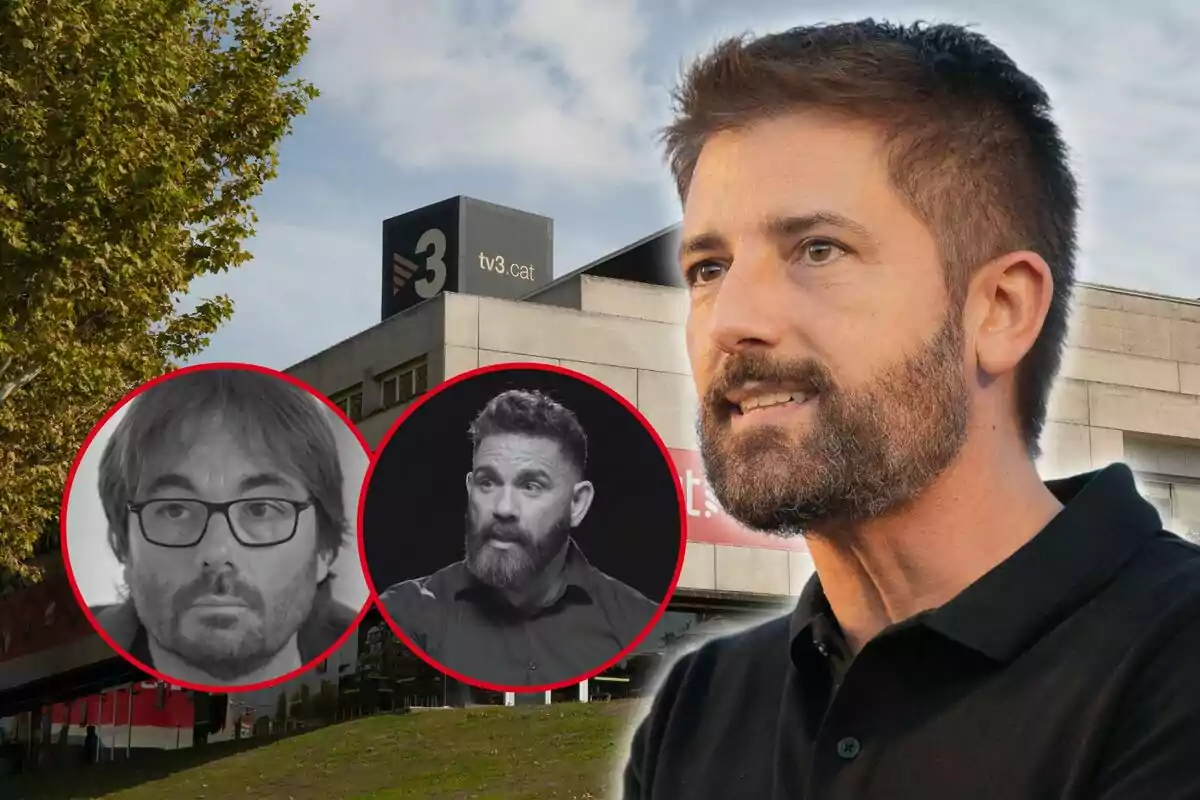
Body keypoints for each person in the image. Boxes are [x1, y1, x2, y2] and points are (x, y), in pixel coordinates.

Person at [622, 18, 1200, 800]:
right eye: (709, 266)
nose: (730, 319)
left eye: (817, 249)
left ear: (998, 309)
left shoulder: (1174, 662)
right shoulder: (699, 706)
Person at [87, 368, 359, 687]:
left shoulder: (378, 642)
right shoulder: (71, 656)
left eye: (260, 509)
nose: (217, 553)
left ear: (324, 549)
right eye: (175, 510)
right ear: (122, 543)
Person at [378, 389, 658, 687]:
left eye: (531, 486)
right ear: (470, 489)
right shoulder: (408, 615)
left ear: (577, 504)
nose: (503, 508)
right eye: (488, 483)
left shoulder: (635, 621)